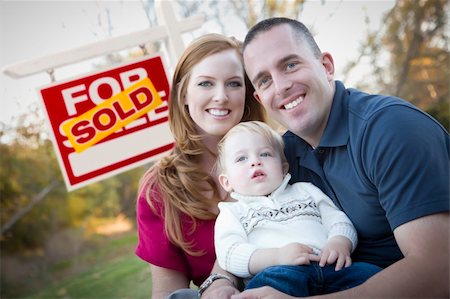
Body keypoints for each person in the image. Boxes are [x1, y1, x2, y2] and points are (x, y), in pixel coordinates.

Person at [229, 17, 450, 299]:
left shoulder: (391, 129)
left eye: (290, 65)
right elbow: (242, 217)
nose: (281, 86)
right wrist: (220, 280)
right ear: (260, 98)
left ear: (326, 66)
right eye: (265, 80)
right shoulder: (280, 157)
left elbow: (438, 272)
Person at [135, 33, 266, 299]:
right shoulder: (159, 189)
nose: (221, 96)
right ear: (183, 94)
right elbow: (168, 292)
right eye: (206, 83)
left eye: (233, 83)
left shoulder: (277, 155)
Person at [214, 120, 381, 297]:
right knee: (261, 289)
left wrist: (340, 242)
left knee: (371, 275)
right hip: (278, 273)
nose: (255, 162)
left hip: (331, 265)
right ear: (226, 182)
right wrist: (277, 256)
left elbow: (338, 219)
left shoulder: (306, 190)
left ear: (284, 168)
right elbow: (230, 253)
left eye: (265, 154)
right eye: (242, 158)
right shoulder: (232, 212)